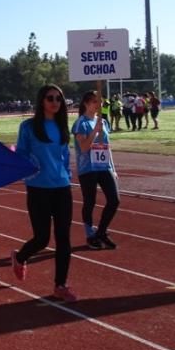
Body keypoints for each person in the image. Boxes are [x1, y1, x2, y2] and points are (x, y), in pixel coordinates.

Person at [11, 84, 77, 302]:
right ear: (41, 101)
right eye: (50, 98)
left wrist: (66, 175)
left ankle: (61, 285)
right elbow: (21, 154)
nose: (55, 102)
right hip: (39, 189)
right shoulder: (28, 127)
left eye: (59, 99)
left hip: (61, 188)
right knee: (41, 239)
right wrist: (27, 164)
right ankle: (20, 257)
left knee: (64, 239)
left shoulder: (61, 126)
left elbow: (64, 156)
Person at [72, 91, 120, 250]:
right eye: (95, 102)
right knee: (90, 202)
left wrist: (113, 168)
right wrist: (94, 131)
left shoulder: (104, 122)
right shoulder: (81, 123)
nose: (98, 105)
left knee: (114, 200)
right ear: (86, 103)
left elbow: (107, 146)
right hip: (88, 168)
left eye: (100, 102)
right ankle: (89, 234)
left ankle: (101, 231)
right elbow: (84, 147)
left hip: (104, 166)